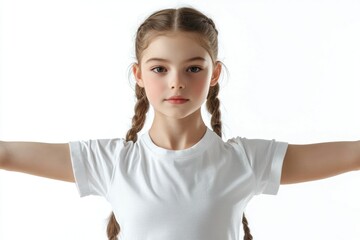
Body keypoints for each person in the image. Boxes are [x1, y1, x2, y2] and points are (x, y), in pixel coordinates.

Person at [0, 7, 359, 240]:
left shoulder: (248, 160)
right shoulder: (109, 162)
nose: (176, 81)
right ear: (138, 75)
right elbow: (6, 154)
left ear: (214, 73)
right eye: (159, 68)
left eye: (193, 68)